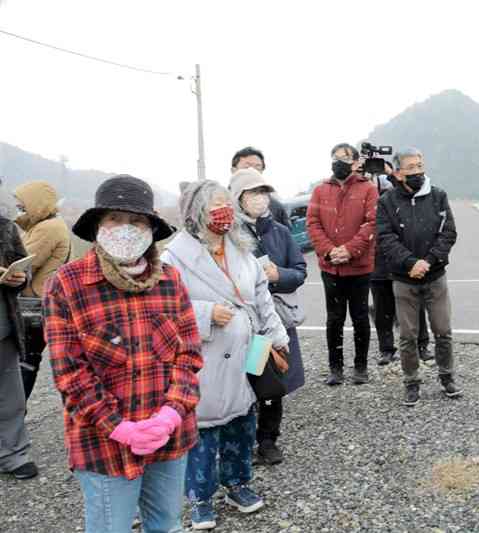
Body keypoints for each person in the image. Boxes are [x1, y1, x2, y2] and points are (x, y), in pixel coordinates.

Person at [43, 175, 203, 532]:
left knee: (167, 525)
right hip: (103, 443)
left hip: (169, 436)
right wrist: (120, 428)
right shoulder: (67, 284)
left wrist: (170, 414)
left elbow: (189, 356)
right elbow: (70, 373)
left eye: (137, 221)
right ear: (98, 227)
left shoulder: (170, 280)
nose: (125, 229)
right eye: (114, 219)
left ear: (150, 230)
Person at [162, 180, 290, 530]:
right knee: (203, 431)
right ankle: (200, 499)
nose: (225, 210)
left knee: (241, 423)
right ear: (196, 212)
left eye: (227, 203)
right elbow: (162, 307)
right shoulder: (174, 257)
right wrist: (203, 314)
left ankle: (238, 485)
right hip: (204, 357)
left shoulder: (241, 248)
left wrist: (276, 337)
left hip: (246, 350)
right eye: (216, 204)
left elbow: (262, 296)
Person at [230, 168, 307, 466]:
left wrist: (279, 274)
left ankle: (267, 440)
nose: (260, 200)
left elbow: (300, 271)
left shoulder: (280, 232)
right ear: (239, 198)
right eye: (252, 194)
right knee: (244, 383)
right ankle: (242, 441)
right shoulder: (230, 235)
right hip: (243, 322)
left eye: (263, 193)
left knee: (272, 383)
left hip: (274, 322)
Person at [376, 147, 460, 406]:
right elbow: (385, 237)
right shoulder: (387, 201)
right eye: (410, 167)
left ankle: (447, 377)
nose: (417, 171)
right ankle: (411, 382)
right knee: (408, 336)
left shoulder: (438, 196)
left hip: (435, 276)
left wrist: (429, 261)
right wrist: (411, 262)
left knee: (443, 331)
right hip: (404, 279)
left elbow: (448, 233)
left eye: (420, 165)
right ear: (398, 172)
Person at [307, 143, 378, 386]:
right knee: (334, 319)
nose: (339, 161)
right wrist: (329, 252)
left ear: (356, 162)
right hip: (331, 268)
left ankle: (361, 367)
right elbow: (313, 223)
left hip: (360, 268)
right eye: (335, 156)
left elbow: (372, 223)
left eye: (345, 157)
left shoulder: (368, 189)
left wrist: (349, 250)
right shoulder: (319, 190)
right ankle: (335, 368)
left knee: (360, 317)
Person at [369, 161, 431, 366]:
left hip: (404, 258)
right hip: (377, 258)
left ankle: (422, 344)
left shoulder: (401, 191)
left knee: (416, 304)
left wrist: (390, 175)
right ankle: (386, 349)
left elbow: (406, 193)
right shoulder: (364, 186)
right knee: (382, 308)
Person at [13, 180, 71, 399]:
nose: (20, 208)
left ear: (36, 203)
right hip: (35, 304)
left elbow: (21, 261)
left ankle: (14, 415)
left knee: (24, 362)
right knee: (26, 361)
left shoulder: (48, 228)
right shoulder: (40, 225)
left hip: (33, 306)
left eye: (23, 204)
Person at [0, 180, 37, 481]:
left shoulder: (6, 228)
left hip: (3, 324)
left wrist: (19, 278)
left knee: (11, 396)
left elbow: (22, 268)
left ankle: (14, 454)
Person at [231, 146, 291, 227]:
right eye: (247, 167)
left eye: (257, 167)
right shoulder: (221, 205)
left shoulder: (275, 207)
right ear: (233, 170)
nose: (252, 171)